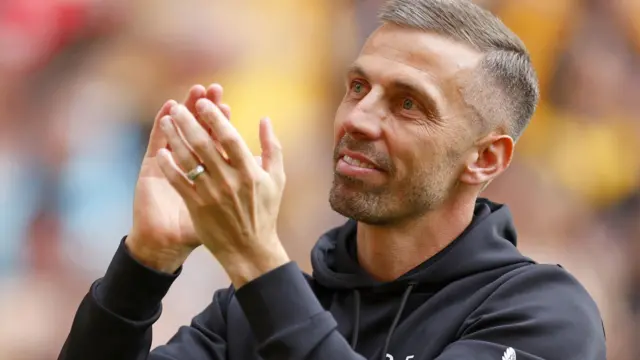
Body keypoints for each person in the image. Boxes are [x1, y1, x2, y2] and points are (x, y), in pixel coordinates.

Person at [58, 0, 606, 359]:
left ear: (485, 159)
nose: (358, 119)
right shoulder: (246, 312)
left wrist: (256, 259)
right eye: (358, 87)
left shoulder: (544, 314)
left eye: (408, 103)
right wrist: (144, 265)